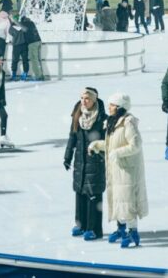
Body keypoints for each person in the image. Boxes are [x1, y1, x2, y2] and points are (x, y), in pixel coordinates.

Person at [87, 92, 146, 248]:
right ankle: (121, 229)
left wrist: (117, 153)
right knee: (118, 199)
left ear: (120, 107)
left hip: (127, 170)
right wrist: (97, 145)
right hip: (115, 169)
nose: (109, 107)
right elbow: (111, 145)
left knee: (127, 201)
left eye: (112, 105)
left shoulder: (128, 123)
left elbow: (136, 145)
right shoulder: (112, 122)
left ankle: (133, 232)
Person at [64, 87, 107, 240]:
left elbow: (106, 141)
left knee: (93, 195)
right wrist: (67, 156)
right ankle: (80, 225)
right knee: (80, 193)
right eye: (82, 98)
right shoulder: (78, 115)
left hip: (95, 161)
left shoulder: (102, 118)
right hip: (80, 162)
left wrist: (100, 153)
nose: (84, 101)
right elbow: (72, 137)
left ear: (94, 100)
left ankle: (94, 228)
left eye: (87, 98)